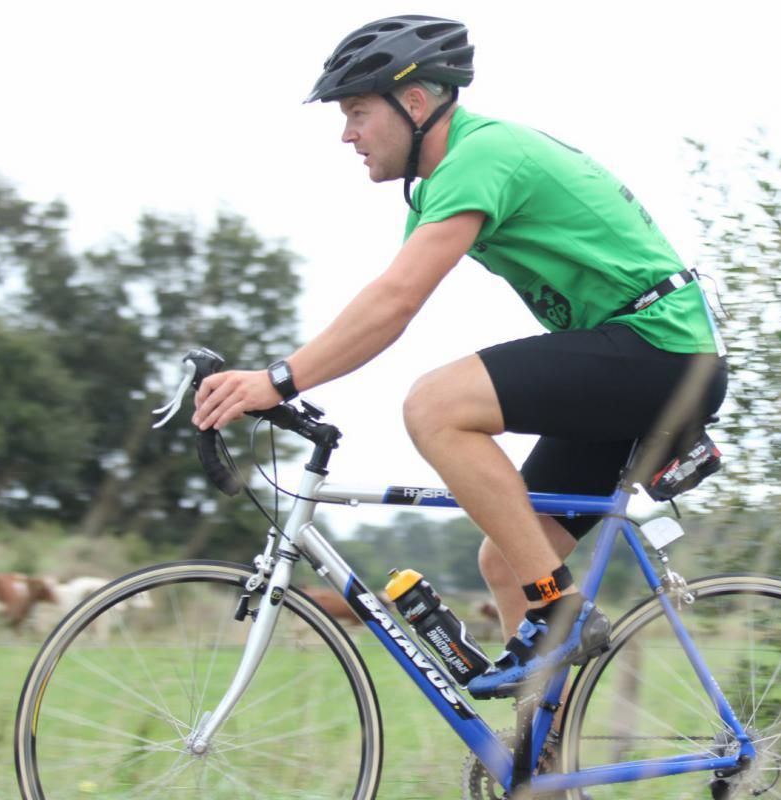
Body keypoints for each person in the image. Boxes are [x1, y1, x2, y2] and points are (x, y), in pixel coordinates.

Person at [192, 14, 727, 699]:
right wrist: (287, 377)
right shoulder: (445, 182)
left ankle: (560, 614)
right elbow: (385, 307)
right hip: (643, 355)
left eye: (357, 112)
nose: (347, 134)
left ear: (414, 103)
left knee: (436, 406)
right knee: (509, 561)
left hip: (663, 349)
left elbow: (395, 301)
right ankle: (541, 765)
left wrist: (278, 379)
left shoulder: (481, 156)